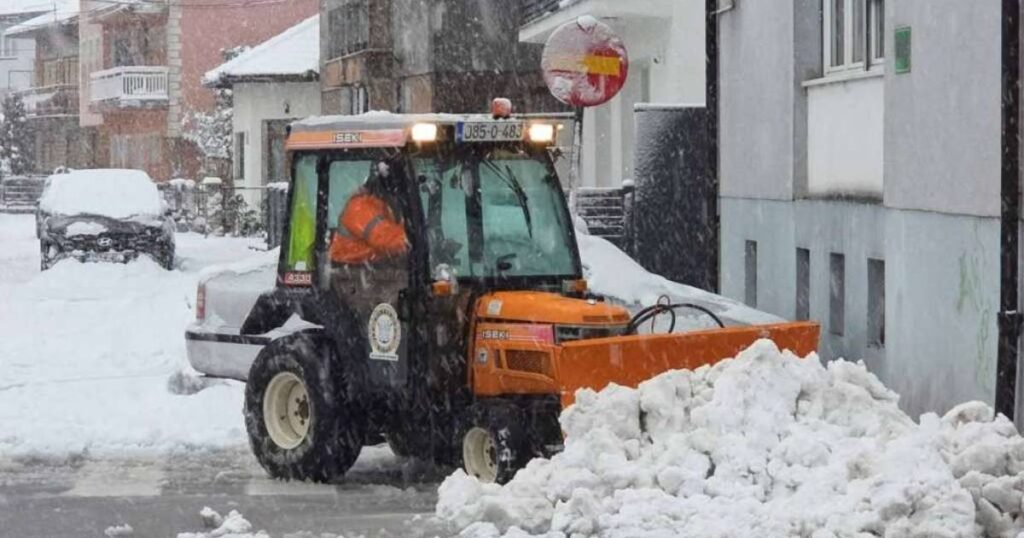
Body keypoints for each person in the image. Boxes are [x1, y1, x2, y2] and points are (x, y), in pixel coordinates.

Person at [329, 161, 409, 265]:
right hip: (350, 272)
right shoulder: (360, 207)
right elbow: (386, 240)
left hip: (369, 269)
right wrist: (415, 239)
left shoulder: (383, 206)